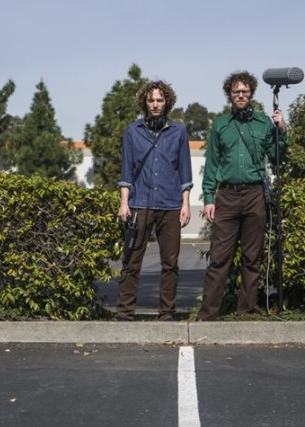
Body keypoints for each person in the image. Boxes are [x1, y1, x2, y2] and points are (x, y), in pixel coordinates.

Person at [198, 70, 287, 321]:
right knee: (219, 259)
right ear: (229, 94)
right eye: (236, 91)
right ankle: (207, 314)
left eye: (245, 92)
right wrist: (208, 198)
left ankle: (246, 312)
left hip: (254, 195)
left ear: (251, 95)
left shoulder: (263, 123)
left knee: (252, 258)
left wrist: (282, 130)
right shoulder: (220, 125)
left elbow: (279, 156)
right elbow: (212, 164)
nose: (240, 95)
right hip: (226, 196)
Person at [116, 80, 193, 321]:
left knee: (170, 263)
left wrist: (186, 204)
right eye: (151, 100)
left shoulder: (178, 131)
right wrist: (124, 202)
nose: (156, 104)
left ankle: (166, 312)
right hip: (139, 204)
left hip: (171, 205)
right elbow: (127, 170)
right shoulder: (133, 131)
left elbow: (185, 170)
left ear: (167, 102)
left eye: (160, 100)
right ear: (145, 103)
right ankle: (125, 312)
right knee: (131, 262)